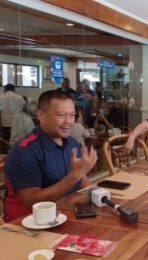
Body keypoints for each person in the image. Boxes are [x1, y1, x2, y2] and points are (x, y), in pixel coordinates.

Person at [4, 90, 98, 222]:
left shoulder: (71, 143)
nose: (69, 121)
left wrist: (98, 195)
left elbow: (83, 181)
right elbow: (32, 202)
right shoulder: (24, 151)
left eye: (72, 115)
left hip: (68, 214)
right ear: (41, 115)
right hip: (28, 224)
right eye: (61, 115)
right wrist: (74, 176)